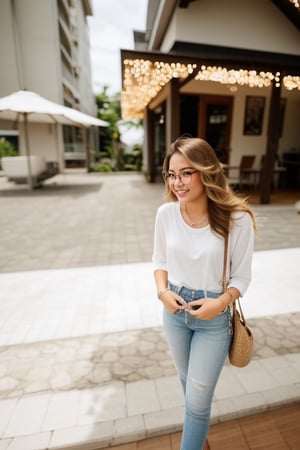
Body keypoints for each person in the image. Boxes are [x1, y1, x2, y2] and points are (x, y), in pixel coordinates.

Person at [152, 137, 256, 450]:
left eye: (186, 173)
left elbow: (242, 277)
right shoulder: (166, 214)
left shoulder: (237, 218)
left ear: (206, 172)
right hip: (174, 311)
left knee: (197, 398)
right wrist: (162, 293)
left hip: (214, 316)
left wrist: (221, 303)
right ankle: (199, 437)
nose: (177, 182)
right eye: (172, 174)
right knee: (189, 385)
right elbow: (159, 262)